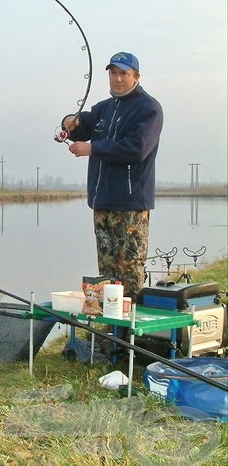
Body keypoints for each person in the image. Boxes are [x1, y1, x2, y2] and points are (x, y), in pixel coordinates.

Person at [61, 51, 163, 301]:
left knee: (129, 272)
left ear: (136, 76)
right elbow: (82, 126)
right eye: (113, 73)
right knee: (107, 275)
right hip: (102, 203)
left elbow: (136, 148)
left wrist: (93, 148)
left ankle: (132, 335)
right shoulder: (104, 108)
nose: (117, 79)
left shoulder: (148, 108)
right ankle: (110, 336)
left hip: (129, 207)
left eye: (123, 73)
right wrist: (69, 123)